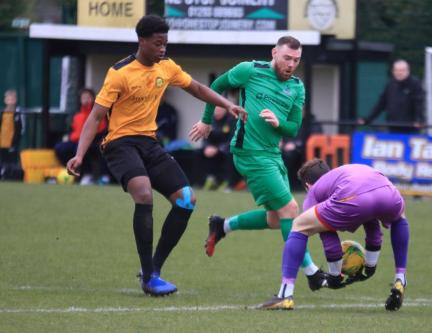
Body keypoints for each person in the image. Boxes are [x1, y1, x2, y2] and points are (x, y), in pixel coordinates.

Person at [66, 15, 246, 297]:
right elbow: (95, 117)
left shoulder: (168, 67)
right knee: (144, 193)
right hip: (119, 143)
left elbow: (197, 88)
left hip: (150, 143)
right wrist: (79, 154)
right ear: (142, 41)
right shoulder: (119, 73)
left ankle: (153, 270)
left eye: (165, 43)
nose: (163, 48)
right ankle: (149, 273)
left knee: (187, 200)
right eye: (157, 43)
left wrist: (228, 104)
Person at [189, 36, 324, 291]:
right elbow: (215, 86)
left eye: (296, 60)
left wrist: (278, 123)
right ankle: (312, 272)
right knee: (290, 209)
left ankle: (223, 225)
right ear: (274, 53)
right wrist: (207, 120)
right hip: (248, 152)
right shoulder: (249, 70)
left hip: (273, 154)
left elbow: (293, 128)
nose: (291, 64)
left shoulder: (297, 87)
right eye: (287, 58)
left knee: (276, 218)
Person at [261, 159, 409, 311]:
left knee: (299, 226)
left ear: (307, 185)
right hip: (387, 190)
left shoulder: (314, 191)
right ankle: (400, 278)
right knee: (400, 218)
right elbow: (373, 229)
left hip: (353, 196)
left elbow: (329, 240)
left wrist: (334, 276)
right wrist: (370, 266)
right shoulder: (341, 175)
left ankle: (285, 295)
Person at [54, 88, 108, 185]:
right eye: (83, 97)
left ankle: (87, 175)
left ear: (93, 98)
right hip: (75, 142)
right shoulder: (76, 115)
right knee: (60, 148)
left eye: (88, 97)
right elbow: (72, 131)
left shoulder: (97, 114)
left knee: (84, 150)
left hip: (91, 143)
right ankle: (70, 171)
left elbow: (101, 132)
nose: (86, 100)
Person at [358, 59, 424, 133]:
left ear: (408, 71)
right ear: (393, 71)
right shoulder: (390, 84)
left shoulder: (415, 84)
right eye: (397, 70)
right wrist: (367, 119)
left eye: (402, 70)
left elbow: (418, 103)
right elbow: (380, 104)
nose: (399, 73)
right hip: (392, 127)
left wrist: (418, 120)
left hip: (410, 129)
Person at [199, 105, 238, 191]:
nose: (218, 111)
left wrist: (218, 149)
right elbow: (205, 137)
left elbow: (233, 139)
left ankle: (228, 183)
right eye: (216, 109)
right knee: (197, 153)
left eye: (220, 108)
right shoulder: (210, 120)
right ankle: (205, 181)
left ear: (225, 109)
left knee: (230, 155)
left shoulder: (231, 120)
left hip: (226, 148)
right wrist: (207, 147)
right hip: (212, 148)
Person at [0, 89, 23, 176]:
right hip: (2, 142)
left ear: (15, 100)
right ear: (5, 100)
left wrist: (15, 141)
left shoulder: (17, 113)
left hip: (12, 143)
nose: (10, 101)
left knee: (11, 161)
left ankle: (11, 175)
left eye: (12, 98)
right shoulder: (2, 113)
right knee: (2, 160)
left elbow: (19, 129)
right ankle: (3, 174)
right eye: (8, 99)